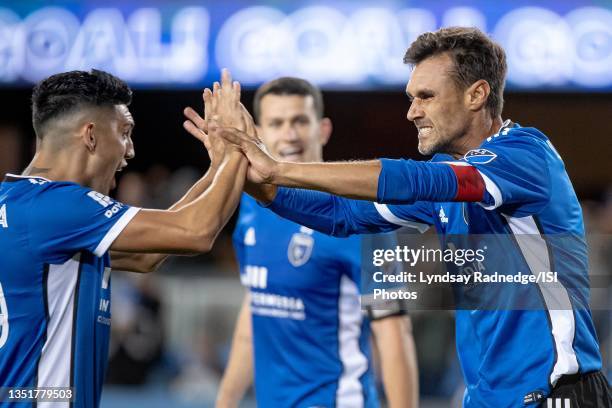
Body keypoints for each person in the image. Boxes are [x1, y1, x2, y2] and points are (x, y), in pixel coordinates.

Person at [186, 28, 612, 407]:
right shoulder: (449, 181)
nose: (412, 112)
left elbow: (415, 179)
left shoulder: (526, 155)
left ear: (477, 94)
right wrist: (242, 168)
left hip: (559, 393)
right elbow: (338, 213)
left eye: (426, 96)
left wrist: (278, 167)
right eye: (411, 98)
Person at [0, 68, 247, 408]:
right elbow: (195, 232)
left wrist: (219, 167)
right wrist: (237, 146)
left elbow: (147, 256)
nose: (130, 150)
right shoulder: (59, 207)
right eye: (125, 132)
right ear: (90, 135)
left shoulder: (19, 204)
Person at [215, 78, 418, 408]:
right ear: (259, 134)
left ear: (322, 130)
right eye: (276, 123)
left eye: (300, 121)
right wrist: (224, 402)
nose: (290, 134)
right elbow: (254, 308)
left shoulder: (358, 214)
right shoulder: (252, 207)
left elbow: (393, 331)